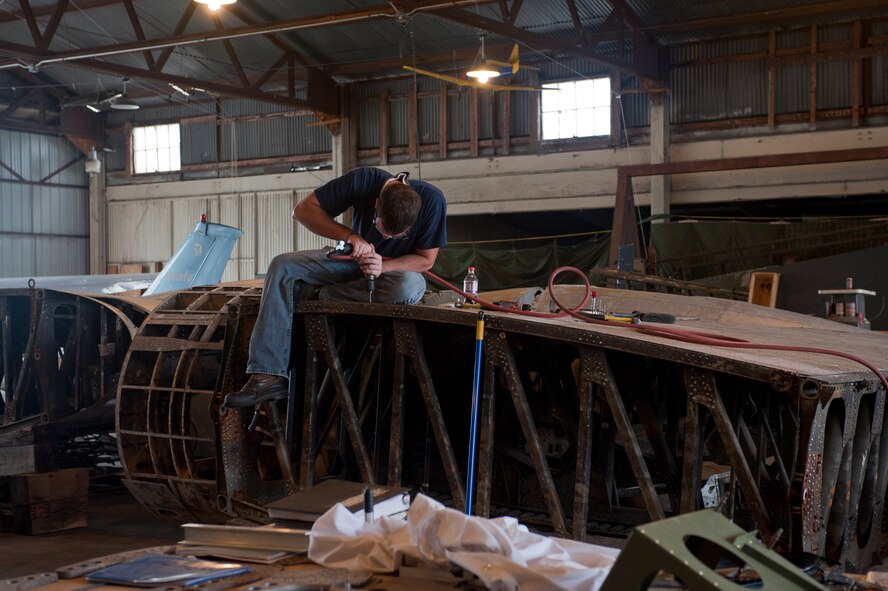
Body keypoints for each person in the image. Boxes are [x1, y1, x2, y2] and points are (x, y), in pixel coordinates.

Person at [223, 167, 447, 408]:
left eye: (398, 236)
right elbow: (303, 210)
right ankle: (266, 375)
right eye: (383, 230)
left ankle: (324, 296)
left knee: (409, 286)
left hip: (392, 275)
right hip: (351, 262)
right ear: (376, 204)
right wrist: (351, 237)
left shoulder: (433, 201)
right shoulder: (363, 180)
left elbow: (426, 260)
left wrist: (384, 266)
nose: (388, 239)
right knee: (282, 266)